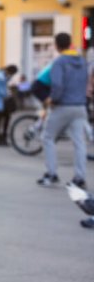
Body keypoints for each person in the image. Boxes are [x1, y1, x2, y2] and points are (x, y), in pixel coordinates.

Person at [37, 33, 88, 188]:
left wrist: (52, 99)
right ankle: (79, 177)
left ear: (57, 45)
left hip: (63, 105)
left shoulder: (59, 62)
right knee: (79, 142)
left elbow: (57, 85)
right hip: (80, 106)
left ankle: (51, 173)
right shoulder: (82, 61)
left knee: (47, 137)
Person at [0, 65, 18, 146]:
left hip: (1, 102)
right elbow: (1, 91)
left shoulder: (3, 76)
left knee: (5, 119)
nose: (12, 76)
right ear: (9, 71)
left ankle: (2, 137)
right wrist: (9, 95)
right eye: (12, 74)